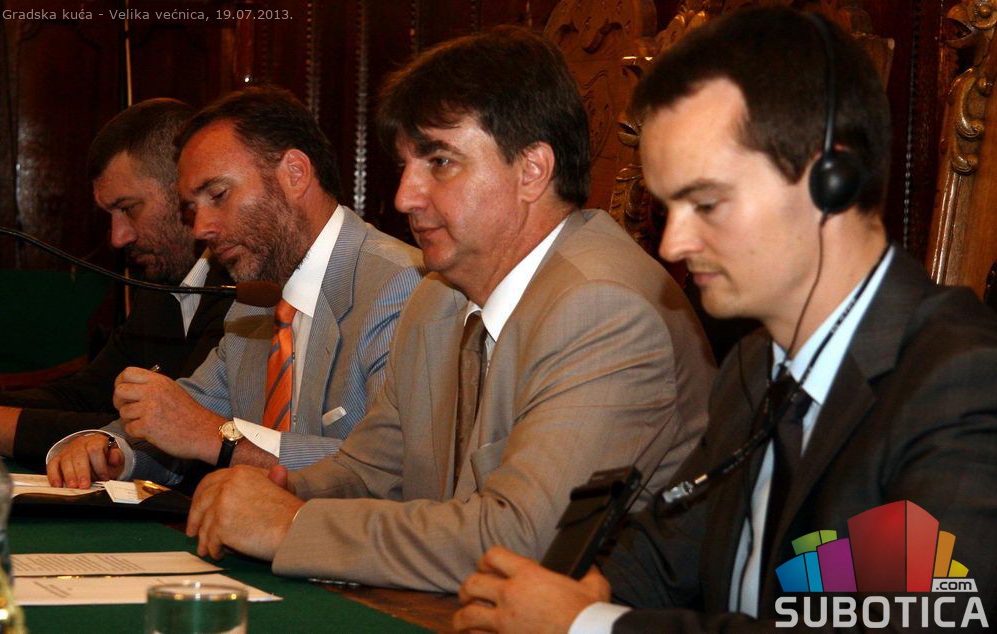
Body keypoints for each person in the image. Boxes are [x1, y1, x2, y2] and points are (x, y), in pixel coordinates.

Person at [454, 8, 997, 632]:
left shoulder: (963, 383)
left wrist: (584, 626)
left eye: (707, 202)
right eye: (670, 207)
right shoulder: (755, 365)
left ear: (833, 179)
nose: (673, 243)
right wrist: (570, 596)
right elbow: (661, 557)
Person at [182, 26, 715, 594]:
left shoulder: (605, 308)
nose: (405, 196)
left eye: (439, 161)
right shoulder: (438, 295)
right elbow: (370, 472)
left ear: (532, 169)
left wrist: (289, 525)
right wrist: (273, 490)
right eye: (406, 165)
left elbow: (521, 542)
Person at [46, 87, 423, 488]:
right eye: (192, 208)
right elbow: (187, 411)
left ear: (294, 174)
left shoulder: (400, 285)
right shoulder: (256, 299)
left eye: (218, 195)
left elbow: (393, 472)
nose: (201, 228)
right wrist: (112, 449)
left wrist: (217, 438)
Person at [0, 99, 233, 469]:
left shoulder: (242, 289)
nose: (118, 237)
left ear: (185, 187)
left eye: (128, 208)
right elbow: (85, 395)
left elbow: (168, 428)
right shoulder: (160, 288)